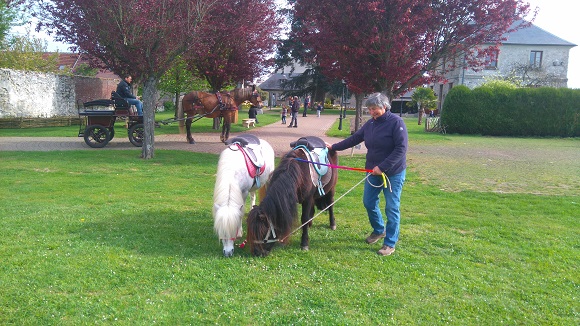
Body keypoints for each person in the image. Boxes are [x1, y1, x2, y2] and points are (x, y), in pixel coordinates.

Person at [326, 92, 408, 256]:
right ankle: (379, 230)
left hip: (393, 172)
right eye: (369, 109)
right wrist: (333, 147)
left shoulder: (396, 123)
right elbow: (354, 139)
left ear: (384, 106)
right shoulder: (370, 124)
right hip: (372, 171)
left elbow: (401, 149)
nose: (372, 112)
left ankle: (390, 243)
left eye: (375, 109)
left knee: (392, 208)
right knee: (368, 202)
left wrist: (383, 167)